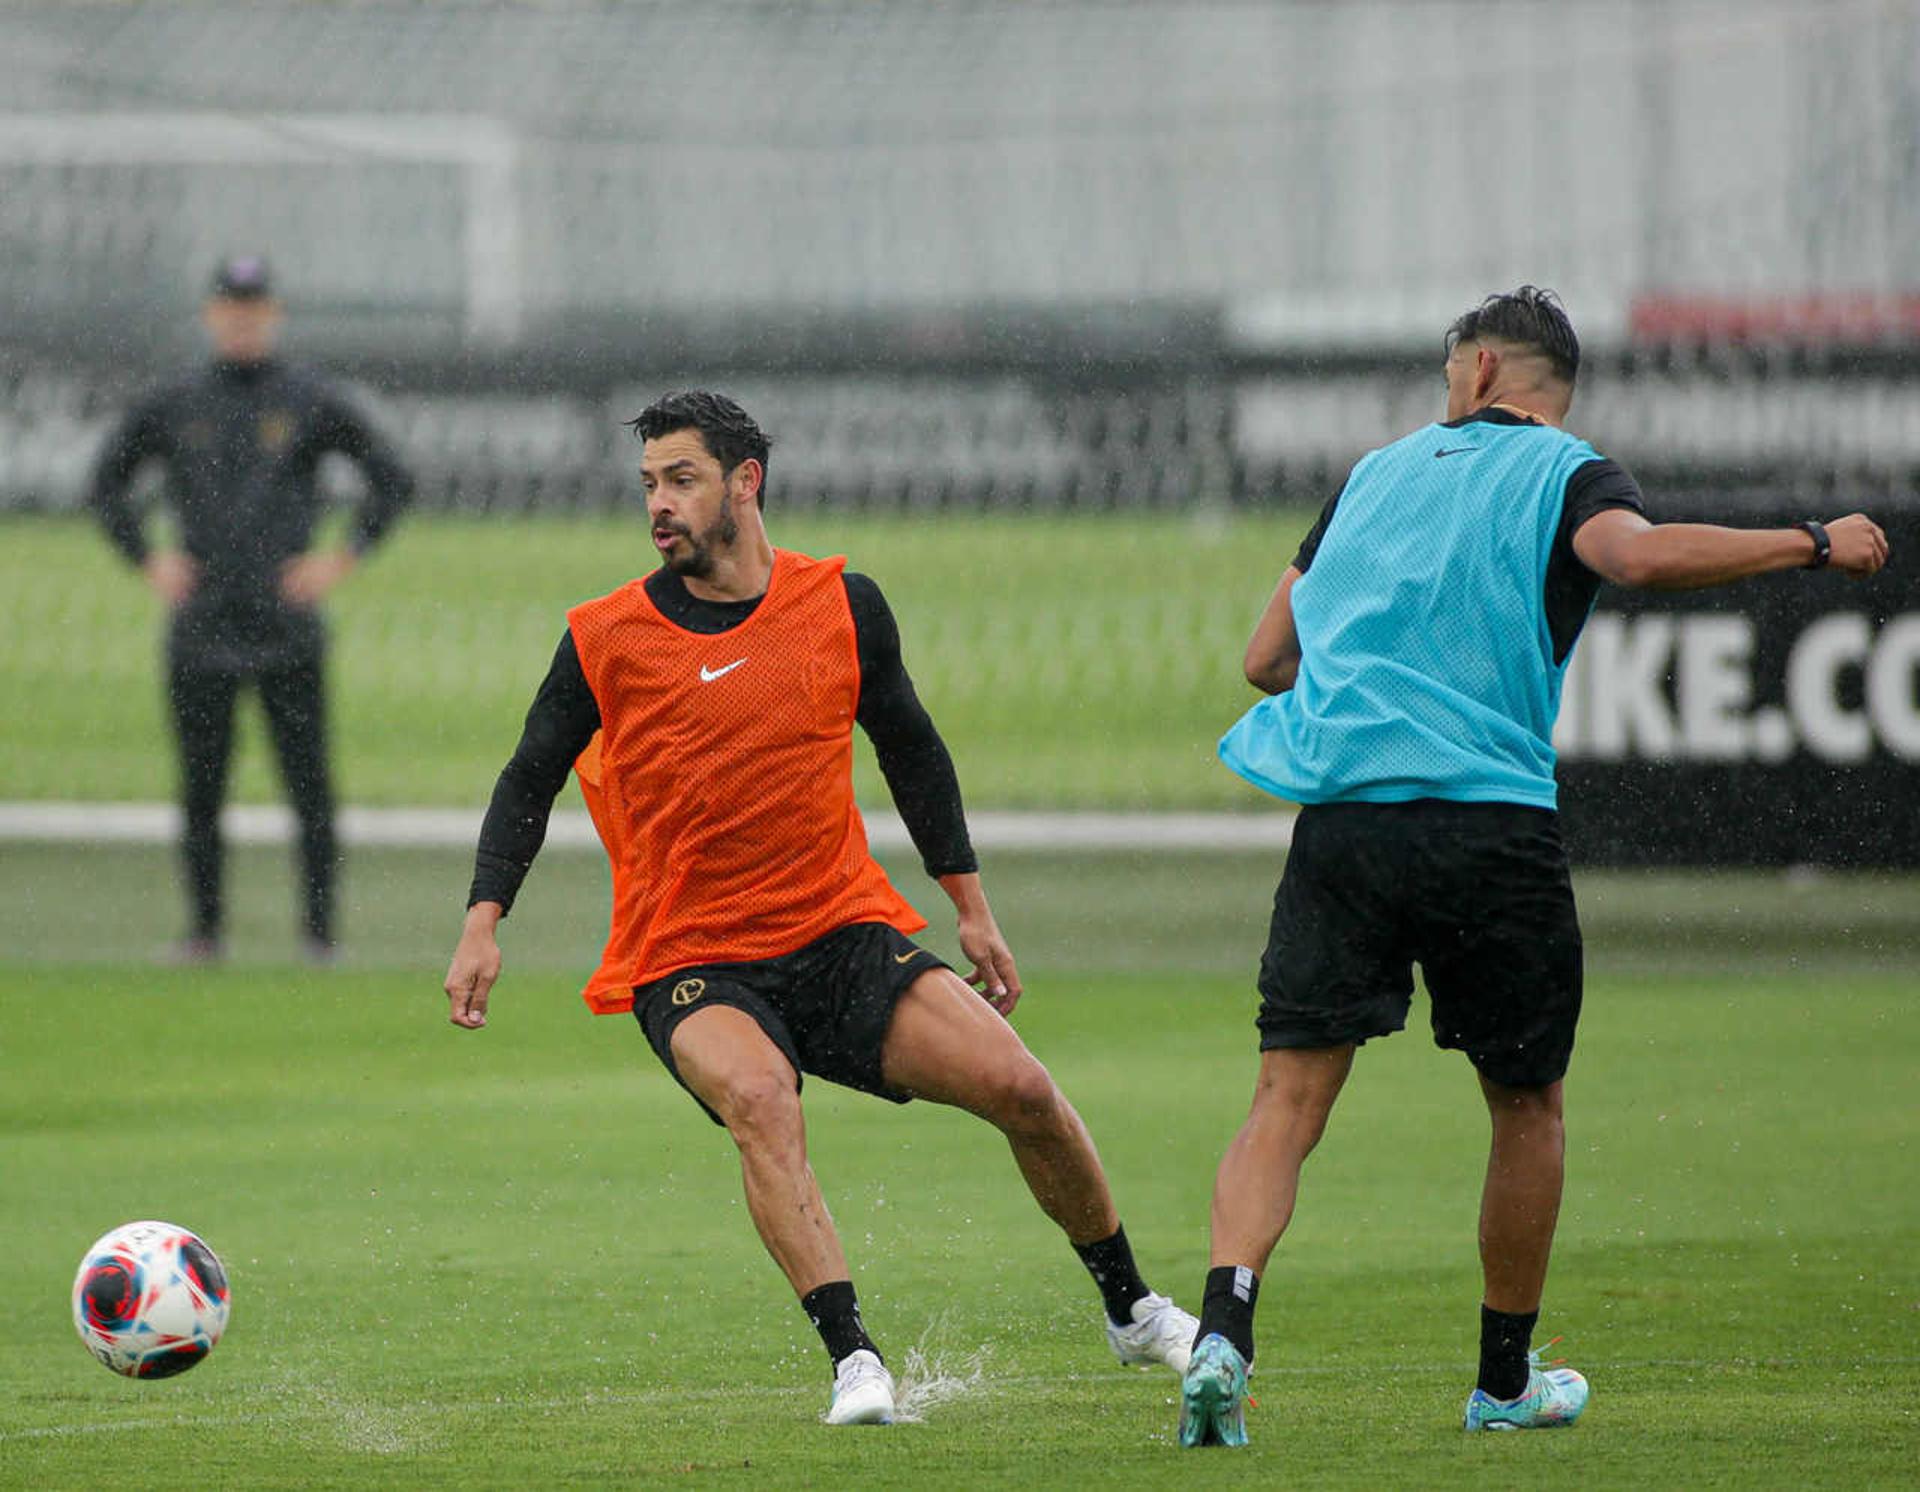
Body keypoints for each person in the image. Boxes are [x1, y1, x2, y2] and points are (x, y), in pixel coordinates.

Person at [1177, 287, 1890, 1447]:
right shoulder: (1570, 473)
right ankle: (1504, 1380)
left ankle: (1222, 1331)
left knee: (1286, 1098)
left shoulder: (1374, 474)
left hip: (1346, 822)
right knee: (1524, 1104)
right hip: (1486, 824)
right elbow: (1641, 561)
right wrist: (1812, 542)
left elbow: (1267, 658)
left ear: (1479, 372)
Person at [442, 390, 1197, 1425]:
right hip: (691, 958)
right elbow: (529, 777)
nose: (659, 504)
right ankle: (854, 1358)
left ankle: (1132, 1308)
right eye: (649, 485)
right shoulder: (605, 635)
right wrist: (485, 921)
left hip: (842, 937)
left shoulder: (843, 604)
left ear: (745, 482)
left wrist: (969, 908)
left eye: (681, 480)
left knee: (1022, 1087)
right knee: (761, 1100)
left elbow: (912, 747)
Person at [91, 255, 414, 964]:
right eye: (231, 308)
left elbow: (392, 479)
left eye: (255, 307)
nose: (242, 320)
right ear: (212, 315)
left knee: (310, 785)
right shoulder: (175, 400)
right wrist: (148, 556)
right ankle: (204, 933)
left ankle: (320, 937)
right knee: (201, 786)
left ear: (274, 314)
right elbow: (106, 482)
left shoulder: (310, 399)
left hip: (284, 627)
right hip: (202, 626)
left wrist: (340, 557)